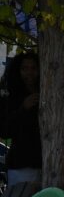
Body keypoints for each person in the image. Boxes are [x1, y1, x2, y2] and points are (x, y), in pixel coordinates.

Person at [2, 53, 41, 184]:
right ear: (18, 71)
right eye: (25, 68)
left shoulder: (46, 92)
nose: (29, 72)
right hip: (22, 165)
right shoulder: (10, 98)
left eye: (33, 68)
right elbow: (4, 130)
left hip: (46, 163)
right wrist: (23, 109)